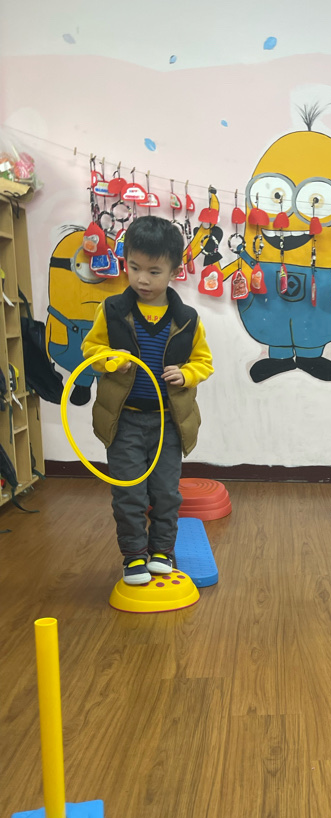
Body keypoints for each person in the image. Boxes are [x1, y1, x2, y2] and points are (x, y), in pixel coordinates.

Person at [82, 216, 214, 584]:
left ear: (174, 271)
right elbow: (91, 347)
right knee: (128, 493)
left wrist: (186, 374)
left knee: (166, 493)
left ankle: (161, 551)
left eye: (154, 271)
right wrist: (111, 359)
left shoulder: (187, 318)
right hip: (124, 420)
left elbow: (204, 362)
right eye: (134, 267)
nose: (142, 279)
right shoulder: (111, 309)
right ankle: (134, 556)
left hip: (168, 422)